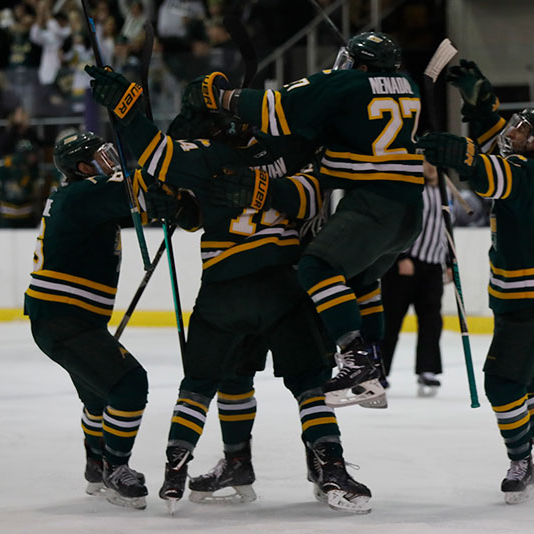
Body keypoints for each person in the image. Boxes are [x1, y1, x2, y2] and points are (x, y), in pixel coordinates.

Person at [82, 70, 373, 513]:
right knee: (309, 385)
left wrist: (127, 110)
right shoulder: (287, 144)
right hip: (284, 284)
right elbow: (312, 189)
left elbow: (154, 153)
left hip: (224, 290)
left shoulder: (202, 158)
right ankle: (327, 467)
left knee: (203, 383)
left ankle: (177, 469)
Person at [183, 31, 425, 407]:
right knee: (358, 277)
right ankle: (373, 363)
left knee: (316, 267)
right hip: (410, 213)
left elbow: (279, 107)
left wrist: (221, 99)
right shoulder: (408, 86)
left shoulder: (347, 82)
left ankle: (357, 360)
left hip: (373, 205)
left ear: (360, 64)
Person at [416, 60, 534, 504]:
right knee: (528, 382)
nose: (513, 132)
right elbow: (491, 144)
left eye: (522, 129)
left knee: (502, 385)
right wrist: (481, 104)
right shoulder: (532, 163)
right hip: (525, 297)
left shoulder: (528, 174)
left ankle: (521, 460)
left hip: (529, 299)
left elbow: (487, 173)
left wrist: (457, 153)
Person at [25, 131, 179, 509]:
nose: (109, 160)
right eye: (100, 156)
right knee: (129, 383)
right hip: (65, 318)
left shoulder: (84, 196)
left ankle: (96, 463)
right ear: (81, 167)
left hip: (65, 318)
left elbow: (140, 202)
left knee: (98, 396)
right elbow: (145, 188)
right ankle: (116, 467)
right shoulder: (87, 192)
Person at [380, 160, 447, 398]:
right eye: (424, 162)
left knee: (431, 321)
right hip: (404, 265)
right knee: (391, 320)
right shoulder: (411, 191)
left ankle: (428, 370)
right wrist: (401, 256)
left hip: (433, 266)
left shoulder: (445, 194)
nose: (428, 166)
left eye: (432, 162)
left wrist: (450, 262)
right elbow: (396, 224)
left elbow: (447, 229)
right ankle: (380, 372)